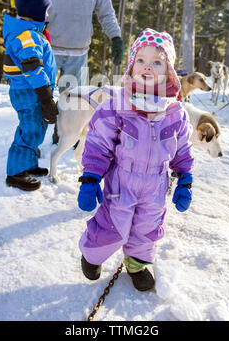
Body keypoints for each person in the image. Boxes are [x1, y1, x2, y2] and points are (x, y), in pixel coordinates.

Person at [77, 29, 194, 291]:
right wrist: (90, 177)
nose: (147, 67)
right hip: (122, 183)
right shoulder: (118, 104)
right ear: (132, 65)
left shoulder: (175, 113)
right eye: (141, 60)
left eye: (157, 62)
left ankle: (138, 263)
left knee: (147, 227)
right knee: (112, 225)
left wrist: (185, 178)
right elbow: (98, 142)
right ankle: (93, 254)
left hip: (156, 186)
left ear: (169, 70)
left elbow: (183, 148)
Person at [31, 0, 124, 143]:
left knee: (72, 102)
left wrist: (115, 36)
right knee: (41, 98)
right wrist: (27, 41)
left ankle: (64, 137)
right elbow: (30, 9)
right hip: (48, 49)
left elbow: (106, 12)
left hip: (78, 52)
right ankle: (33, 140)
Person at [3, 0, 59, 191]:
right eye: (45, 10)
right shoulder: (27, 36)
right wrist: (45, 98)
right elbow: (33, 67)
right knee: (30, 129)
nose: (47, 14)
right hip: (29, 92)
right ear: (35, 11)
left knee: (36, 127)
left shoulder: (31, 33)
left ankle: (27, 165)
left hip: (32, 91)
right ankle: (16, 174)